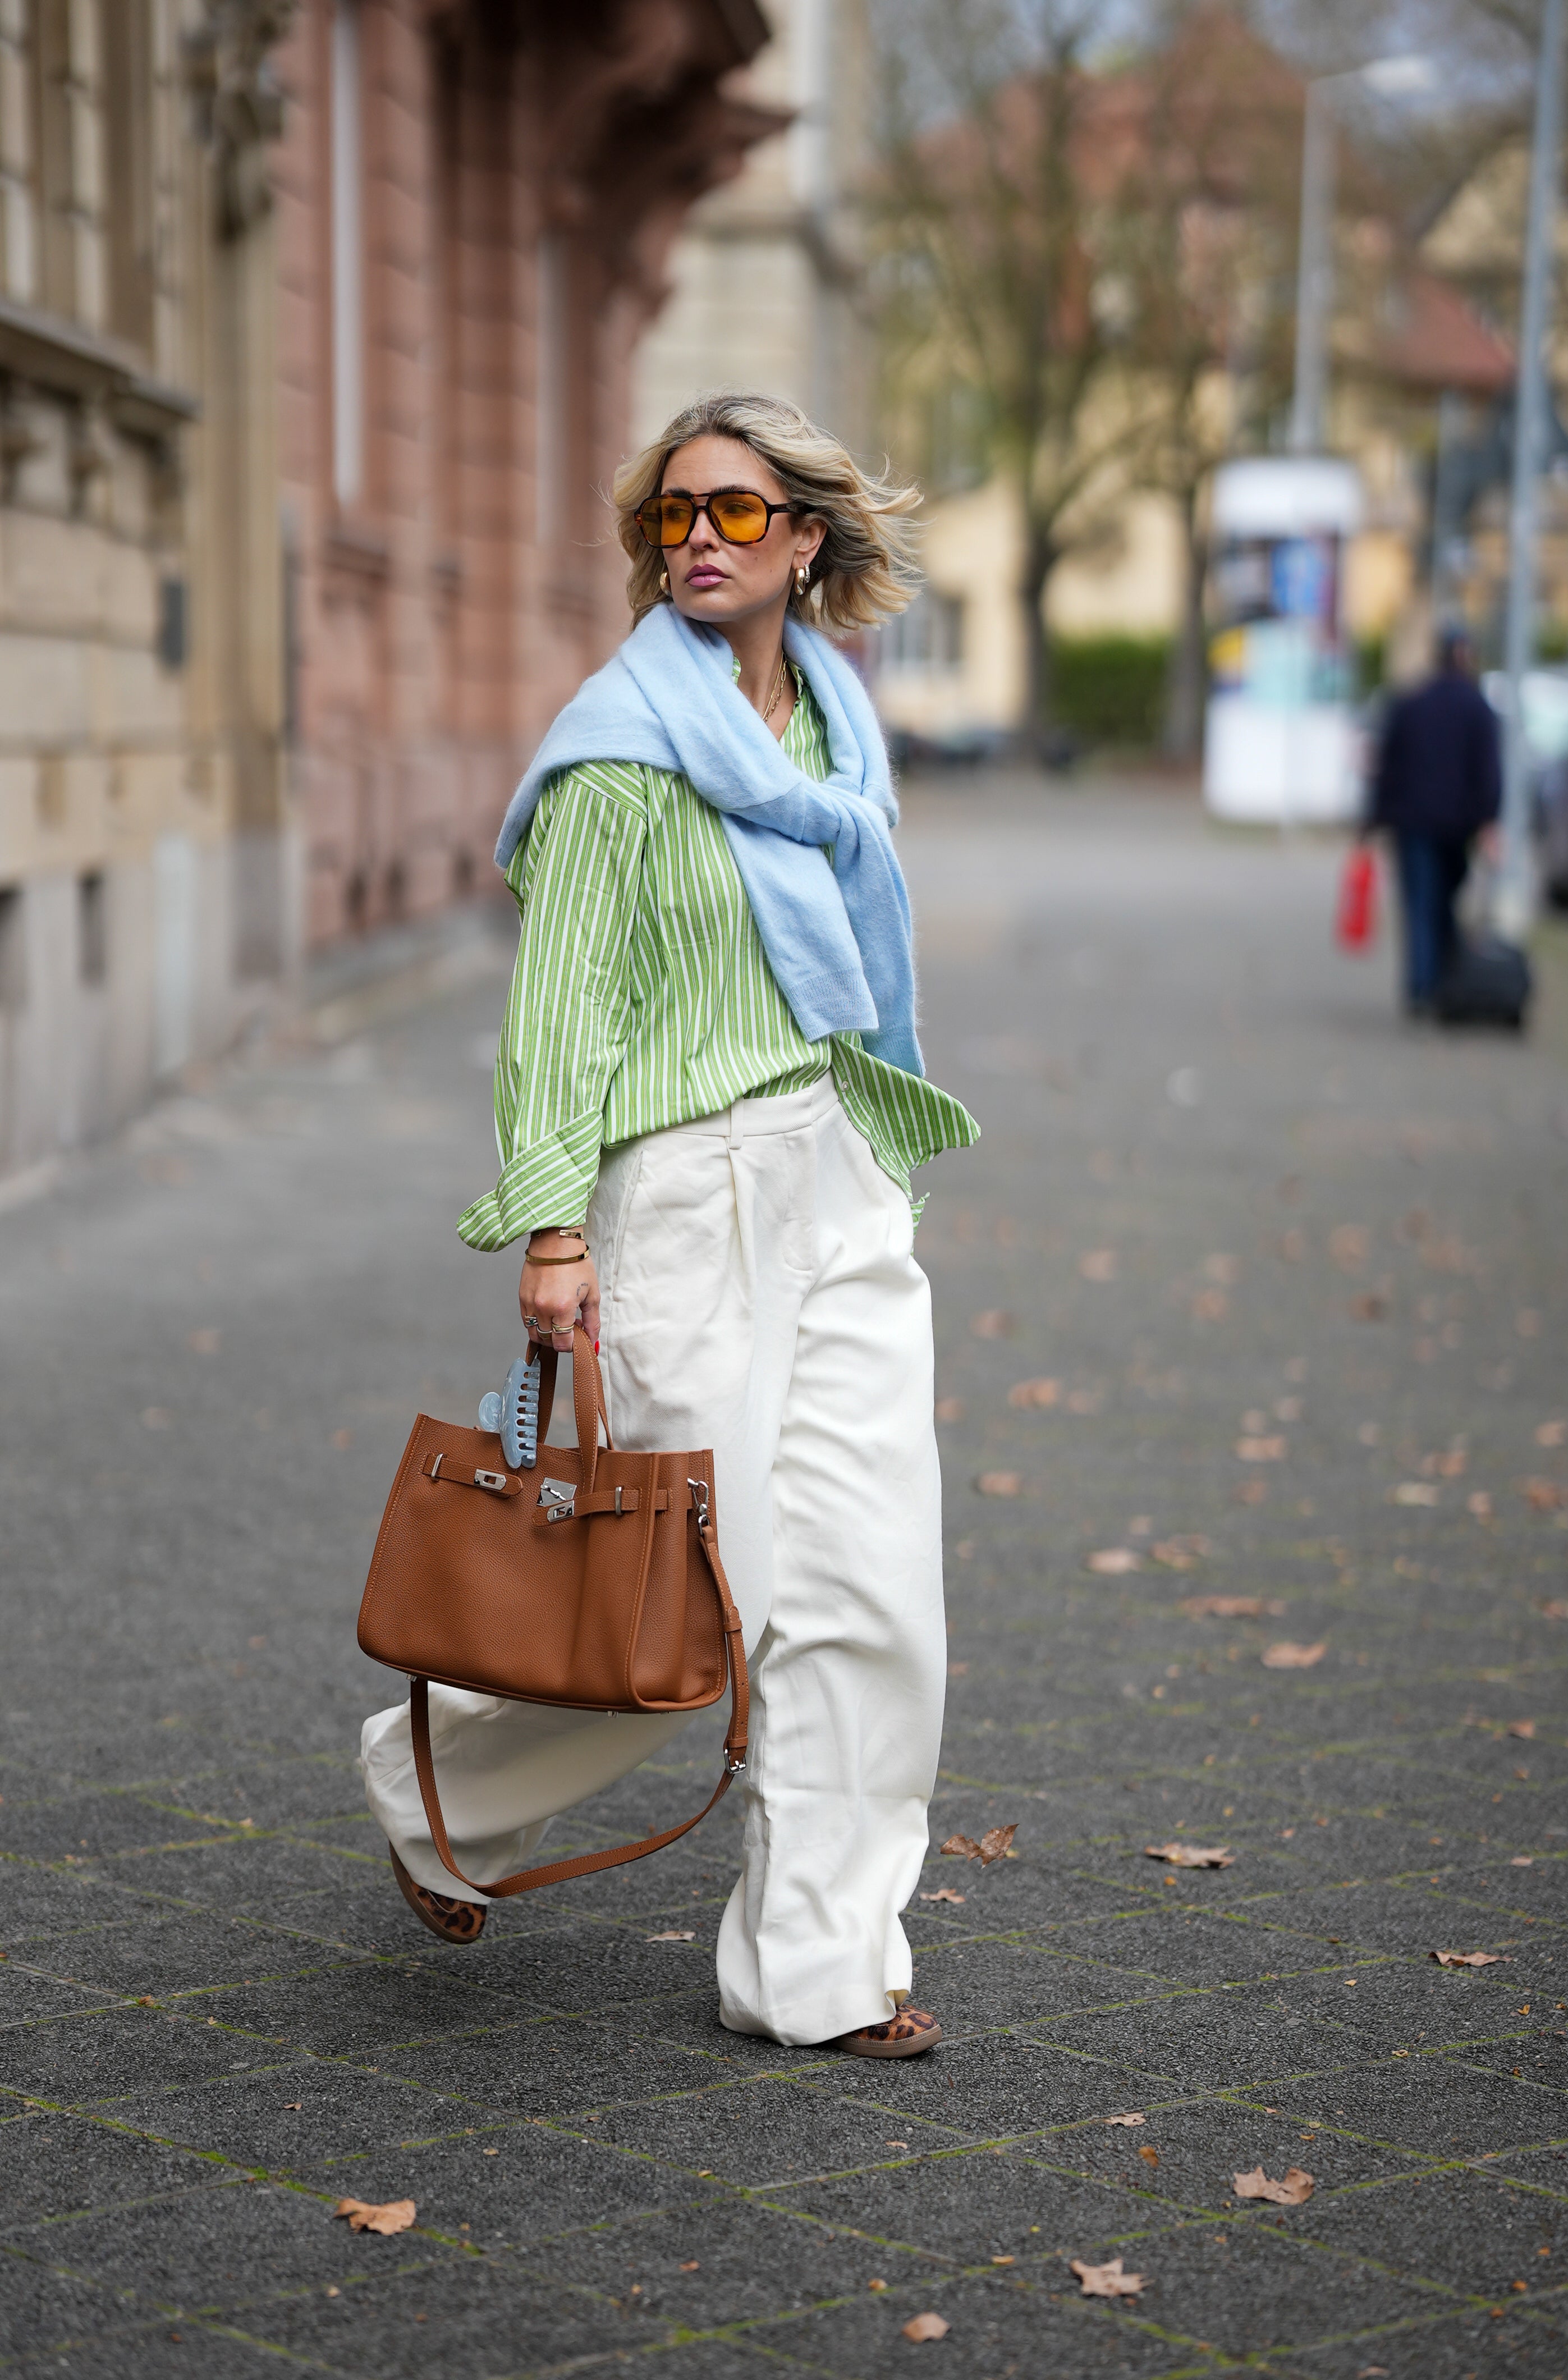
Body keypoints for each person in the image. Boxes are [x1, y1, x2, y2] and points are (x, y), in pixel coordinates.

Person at [360, 392, 978, 2058]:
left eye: (735, 509)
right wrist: (554, 1235)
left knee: (870, 1593)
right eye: (673, 514)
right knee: (701, 1600)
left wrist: (868, 1155)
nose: (698, 536)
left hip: (837, 1167)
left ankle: (819, 1966)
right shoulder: (620, 750)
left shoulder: (835, 731)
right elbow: (556, 1015)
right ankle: (433, 1786)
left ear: (804, 540)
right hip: (684, 1195)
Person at [1367, 625, 1502, 1014]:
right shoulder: (1477, 707)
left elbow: (1388, 766)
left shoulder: (1411, 703)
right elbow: (1488, 770)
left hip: (1413, 822)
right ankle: (1443, 980)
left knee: (1418, 903)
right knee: (1444, 900)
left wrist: (1373, 820)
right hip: (1457, 825)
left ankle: (1421, 988)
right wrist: (1489, 820)